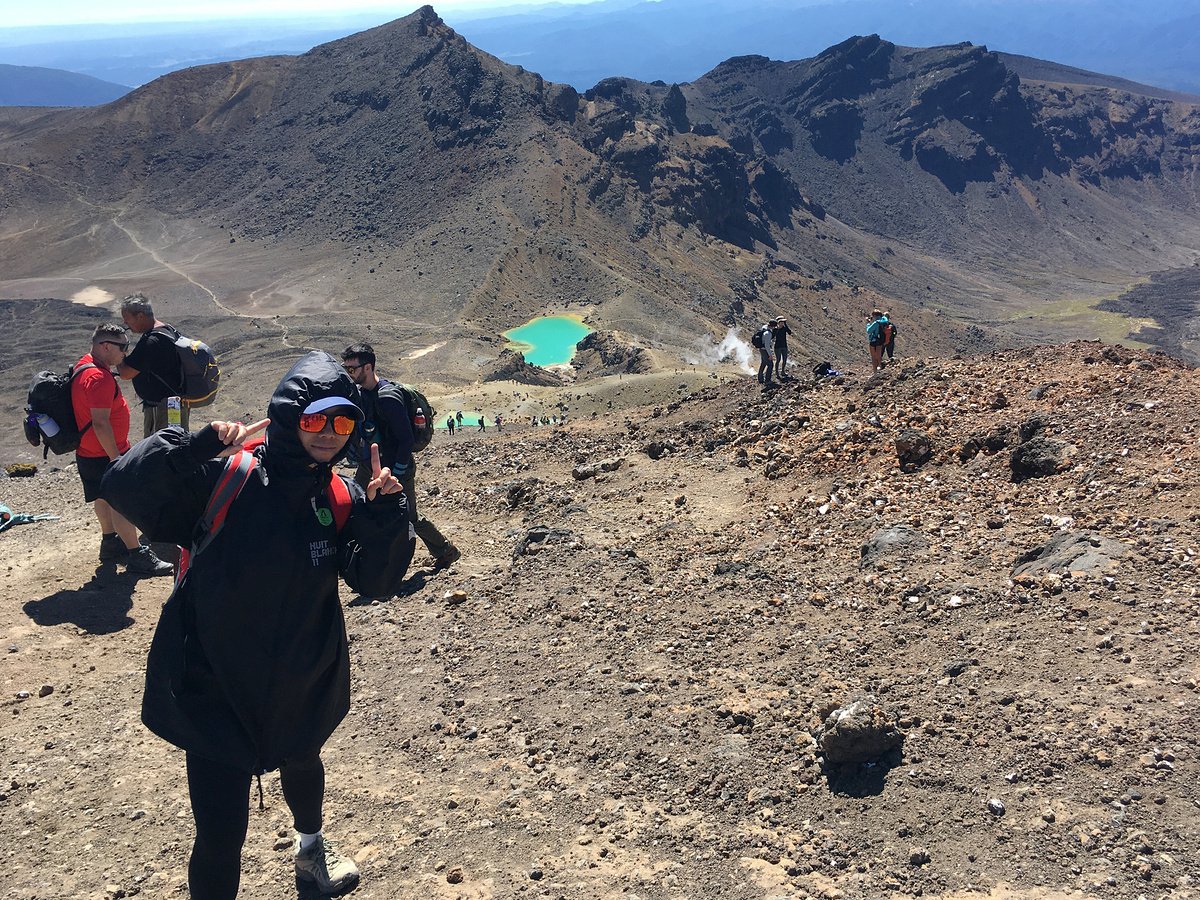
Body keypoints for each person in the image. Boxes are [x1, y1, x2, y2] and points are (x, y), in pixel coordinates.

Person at [101, 351, 415, 900]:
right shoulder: (229, 475)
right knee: (220, 835)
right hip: (214, 683)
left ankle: (311, 852)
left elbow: (375, 582)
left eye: (342, 421)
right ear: (291, 414)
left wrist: (386, 516)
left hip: (301, 673)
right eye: (315, 418)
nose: (329, 434)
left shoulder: (337, 494)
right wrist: (195, 447)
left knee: (304, 765)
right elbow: (123, 486)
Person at [341, 343, 461, 569]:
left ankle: (446, 550)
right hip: (369, 465)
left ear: (367, 367)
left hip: (397, 467)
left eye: (351, 369)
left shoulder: (388, 397)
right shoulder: (360, 394)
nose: (349, 373)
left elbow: (406, 439)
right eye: (345, 368)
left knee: (408, 516)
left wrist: (397, 472)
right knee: (354, 505)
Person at [72, 323, 173, 575]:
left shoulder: (83, 365)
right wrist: (116, 459)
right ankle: (136, 553)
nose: (125, 353)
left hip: (88, 451)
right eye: (123, 347)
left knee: (102, 496)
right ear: (105, 346)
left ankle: (109, 543)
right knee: (122, 502)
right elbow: (100, 422)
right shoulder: (98, 378)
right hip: (108, 452)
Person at [117, 292, 192, 438]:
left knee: (159, 449)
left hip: (161, 408)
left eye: (127, 319)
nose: (125, 323)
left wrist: (118, 351)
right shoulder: (167, 330)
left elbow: (125, 373)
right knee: (176, 446)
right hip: (176, 405)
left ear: (140, 316)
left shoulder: (151, 342)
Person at [772, 315, 793, 380]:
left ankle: (783, 371)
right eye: (781, 322)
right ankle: (777, 373)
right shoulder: (775, 329)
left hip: (784, 346)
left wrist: (786, 325)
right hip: (777, 346)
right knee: (778, 360)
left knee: (785, 359)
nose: (782, 323)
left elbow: (789, 332)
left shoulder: (784, 328)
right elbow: (772, 337)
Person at [755, 322, 775, 387]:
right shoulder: (768, 334)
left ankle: (760, 378)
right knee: (770, 365)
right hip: (765, 350)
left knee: (763, 363)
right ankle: (767, 380)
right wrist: (770, 355)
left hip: (761, 349)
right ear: (772, 326)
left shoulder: (764, 328)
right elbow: (767, 345)